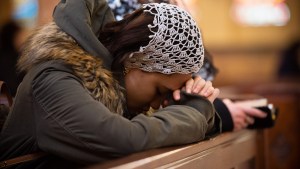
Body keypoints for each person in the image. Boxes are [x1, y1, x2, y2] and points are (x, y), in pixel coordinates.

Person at [0, 1, 221, 168]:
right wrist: (194, 112)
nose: (158, 103)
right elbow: (121, 141)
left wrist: (191, 102)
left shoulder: (116, 89)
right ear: (133, 60)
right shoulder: (53, 79)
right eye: (160, 91)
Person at [107, 0, 267, 132]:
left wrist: (192, 95)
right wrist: (215, 114)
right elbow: (131, 137)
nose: (156, 105)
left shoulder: (169, 13)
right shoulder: (110, 12)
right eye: (160, 91)